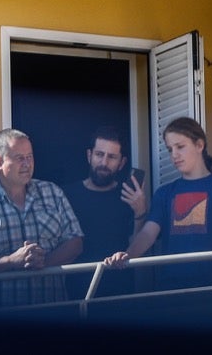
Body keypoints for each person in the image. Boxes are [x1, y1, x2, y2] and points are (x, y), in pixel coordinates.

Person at [102, 117, 212, 290]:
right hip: (170, 289)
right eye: (170, 149)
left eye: (180, 147)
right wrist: (127, 254)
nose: (174, 154)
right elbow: (148, 233)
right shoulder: (164, 193)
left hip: (209, 289)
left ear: (200, 145)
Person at [0, 128, 84, 308]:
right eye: (19, 158)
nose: (27, 164)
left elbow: (75, 242)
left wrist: (43, 263)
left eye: (30, 157)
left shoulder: (53, 193)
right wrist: (11, 261)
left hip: (54, 310)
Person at [60, 125, 147, 297]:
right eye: (99, 154)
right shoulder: (66, 195)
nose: (104, 163)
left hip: (120, 293)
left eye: (112, 157)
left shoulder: (129, 197)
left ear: (121, 163)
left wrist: (140, 212)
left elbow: (136, 249)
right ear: (89, 155)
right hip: (75, 294)